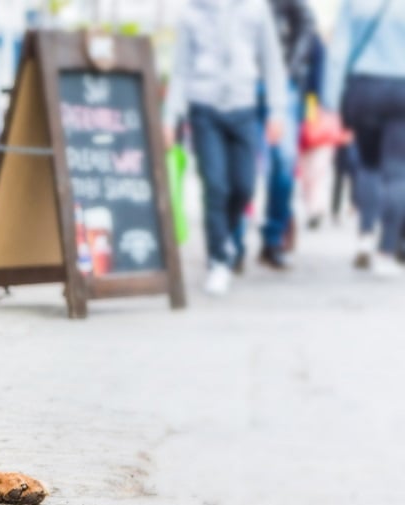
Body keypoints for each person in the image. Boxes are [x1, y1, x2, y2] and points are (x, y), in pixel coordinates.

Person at [163, 0, 288, 296]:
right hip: (204, 107)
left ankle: (227, 239)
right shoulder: (192, 11)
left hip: (243, 107)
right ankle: (218, 260)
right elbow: (180, 70)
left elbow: (272, 62)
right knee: (215, 186)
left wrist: (277, 110)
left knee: (244, 186)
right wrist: (170, 117)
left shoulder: (256, 9)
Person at [323, 0, 405, 276]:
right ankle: (386, 250)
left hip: (364, 87)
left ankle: (365, 236)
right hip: (401, 88)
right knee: (397, 173)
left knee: (368, 166)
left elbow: (338, 52)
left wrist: (330, 104)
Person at [258, 0, 317, 270]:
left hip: (282, 82)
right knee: (239, 168)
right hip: (240, 82)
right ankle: (228, 245)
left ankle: (273, 237)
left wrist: (291, 68)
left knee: (284, 161)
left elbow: (307, 21)